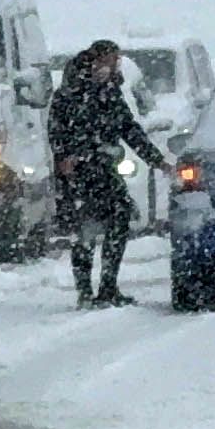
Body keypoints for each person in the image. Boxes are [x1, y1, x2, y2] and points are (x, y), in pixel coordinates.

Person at [49, 39, 171, 306]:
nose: (115, 65)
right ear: (95, 61)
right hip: (79, 174)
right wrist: (69, 156)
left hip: (104, 169)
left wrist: (156, 160)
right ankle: (85, 291)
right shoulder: (69, 93)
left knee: (118, 218)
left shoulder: (110, 93)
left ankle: (107, 286)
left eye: (116, 61)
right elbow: (57, 132)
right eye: (111, 60)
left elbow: (129, 128)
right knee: (84, 229)